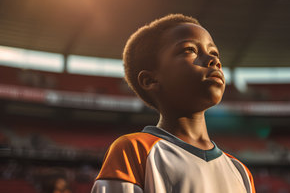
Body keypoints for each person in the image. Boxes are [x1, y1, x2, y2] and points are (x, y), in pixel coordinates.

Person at [91, 14, 255, 193]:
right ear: (150, 80)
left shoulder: (241, 171)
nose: (213, 60)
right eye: (189, 50)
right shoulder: (135, 151)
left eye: (214, 53)